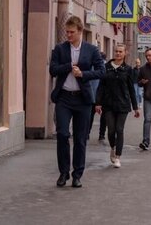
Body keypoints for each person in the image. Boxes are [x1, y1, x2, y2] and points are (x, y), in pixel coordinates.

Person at [49, 16, 105, 188]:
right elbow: (52, 70)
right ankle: (63, 172)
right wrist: (68, 66)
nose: (69, 35)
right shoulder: (60, 49)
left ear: (80, 31)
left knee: (80, 139)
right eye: (67, 32)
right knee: (63, 134)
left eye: (72, 32)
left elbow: (101, 71)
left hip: (83, 99)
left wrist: (83, 74)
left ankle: (77, 174)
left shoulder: (91, 50)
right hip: (64, 98)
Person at [95, 44, 140, 168]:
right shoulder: (106, 67)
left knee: (119, 130)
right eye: (116, 51)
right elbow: (101, 87)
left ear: (125, 53)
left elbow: (132, 90)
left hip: (123, 104)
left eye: (120, 51)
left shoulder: (128, 70)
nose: (118, 53)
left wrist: (136, 107)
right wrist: (98, 103)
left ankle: (118, 157)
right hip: (108, 104)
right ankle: (113, 147)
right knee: (111, 130)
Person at [88, 52, 107, 142]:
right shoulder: (107, 67)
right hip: (102, 96)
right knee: (103, 117)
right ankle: (101, 134)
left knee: (90, 116)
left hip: (93, 95)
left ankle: (87, 133)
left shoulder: (91, 66)